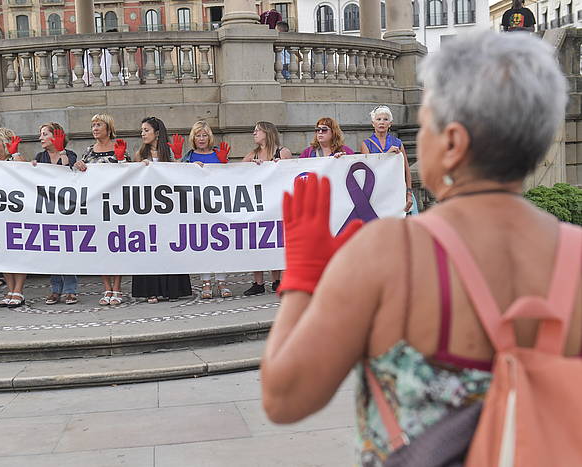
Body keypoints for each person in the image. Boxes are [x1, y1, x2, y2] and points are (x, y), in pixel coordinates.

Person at [261, 31, 579, 465]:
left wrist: (302, 277)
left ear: (452, 143)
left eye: (425, 123)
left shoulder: (389, 252)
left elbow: (284, 395)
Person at [131, 116, 192, 304]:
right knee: (150, 247)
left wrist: (186, 163)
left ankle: (172, 289)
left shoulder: (170, 154)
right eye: (142, 130)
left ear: (157, 133)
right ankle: (151, 290)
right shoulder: (139, 154)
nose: (143, 133)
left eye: (146, 130)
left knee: (169, 247)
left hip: (168, 208)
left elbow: (179, 176)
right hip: (147, 209)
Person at [74, 114, 128, 305]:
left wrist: (122, 159)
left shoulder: (118, 147)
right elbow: (79, 174)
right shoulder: (89, 151)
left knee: (116, 246)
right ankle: (106, 287)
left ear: (108, 128)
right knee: (101, 248)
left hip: (115, 205)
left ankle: (117, 287)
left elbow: (130, 174)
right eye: (92, 125)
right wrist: (78, 165)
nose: (95, 128)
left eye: (99, 125)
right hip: (96, 206)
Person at [182, 120, 233, 299]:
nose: (201, 139)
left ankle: (221, 281)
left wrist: (224, 164)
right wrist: (188, 168)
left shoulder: (218, 154)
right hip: (197, 208)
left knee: (221, 244)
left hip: (218, 207)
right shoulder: (188, 157)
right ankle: (205, 282)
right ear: (193, 138)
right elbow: (177, 177)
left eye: (204, 135)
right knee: (202, 244)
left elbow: (232, 178)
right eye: (198, 135)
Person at [242, 121, 292, 296]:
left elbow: (291, 174)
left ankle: (277, 280)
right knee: (257, 242)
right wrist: (251, 167)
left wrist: (279, 166)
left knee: (275, 240)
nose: (254, 134)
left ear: (267, 133)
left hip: (276, 204)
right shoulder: (252, 154)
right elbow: (237, 175)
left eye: (257, 131)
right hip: (257, 205)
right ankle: (258, 282)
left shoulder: (282, 152)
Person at [33, 122, 79, 305]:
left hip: (66, 209)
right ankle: (55, 289)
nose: (41, 137)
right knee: (52, 250)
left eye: (45, 134)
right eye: (41, 134)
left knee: (67, 249)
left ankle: (70, 289)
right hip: (48, 209)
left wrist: (62, 152)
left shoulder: (70, 154)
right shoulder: (40, 156)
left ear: (56, 136)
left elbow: (68, 172)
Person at [0, 127, 27, 308]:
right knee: (3, 253)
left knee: (17, 252)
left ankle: (18, 290)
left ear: (5, 144)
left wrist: (15, 153)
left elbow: (26, 172)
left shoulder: (15, 158)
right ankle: (10, 289)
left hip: (16, 212)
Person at [360, 105, 414, 212]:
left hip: (397, 190)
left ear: (390, 124)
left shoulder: (397, 143)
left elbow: (406, 169)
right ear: (373, 123)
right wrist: (387, 155)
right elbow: (369, 170)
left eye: (385, 119)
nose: (382, 122)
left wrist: (409, 193)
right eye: (378, 119)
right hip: (377, 194)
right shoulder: (366, 144)